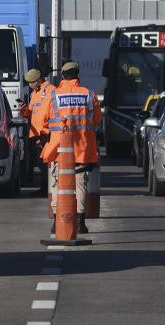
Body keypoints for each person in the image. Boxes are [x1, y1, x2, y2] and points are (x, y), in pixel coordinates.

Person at [41, 61, 102, 234]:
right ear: (78, 75)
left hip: (58, 149)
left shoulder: (54, 95)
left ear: (62, 76)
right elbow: (97, 120)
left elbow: (45, 120)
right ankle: (80, 223)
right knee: (80, 185)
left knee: (57, 185)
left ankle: (57, 222)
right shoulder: (89, 95)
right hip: (82, 150)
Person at [22, 69, 55, 195]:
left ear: (39, 80)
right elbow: (31, 112)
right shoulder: (34, 93)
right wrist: (24, 110)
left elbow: (53, 112)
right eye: (29, 82)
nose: (30, 84)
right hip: (35, 133)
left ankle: (46, 188)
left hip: (45, 133)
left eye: (32, 82)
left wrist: (48, 131)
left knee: (45, 162)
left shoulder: (51, 90)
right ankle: (44, 188)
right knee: (40, 163)